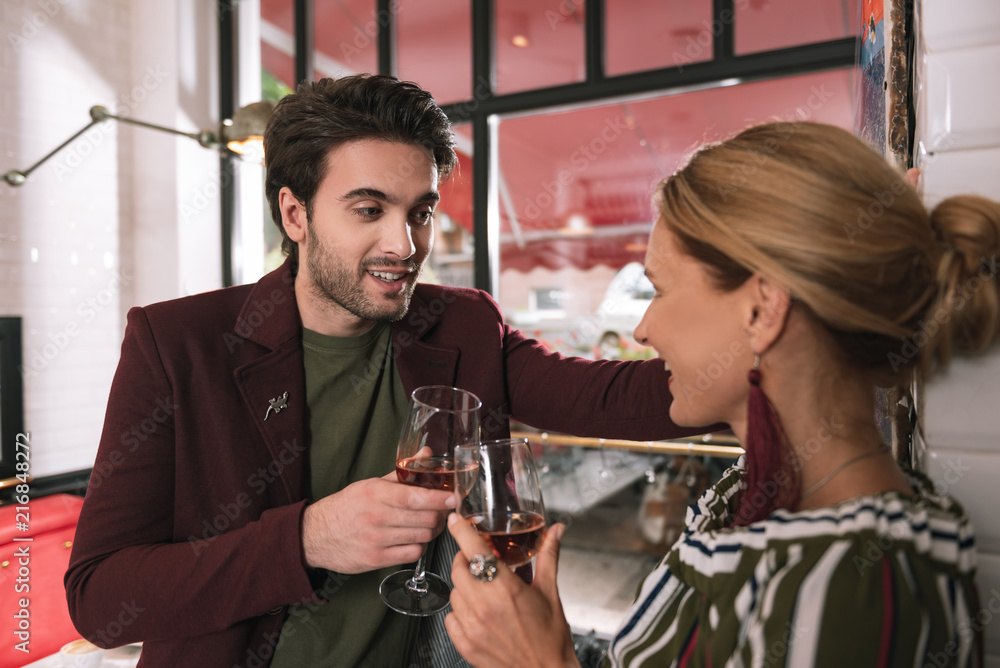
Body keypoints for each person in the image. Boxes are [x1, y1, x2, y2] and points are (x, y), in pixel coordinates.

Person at [63, 74, 711, 667]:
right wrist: (306, 539)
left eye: (421, 212)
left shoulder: (462, 326)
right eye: (369, 210)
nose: (405, 246)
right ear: (296, 214)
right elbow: (99, 596)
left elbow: (611, 399)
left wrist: (762, 340)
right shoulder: (177, 344)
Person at [445, 121, 999, 667]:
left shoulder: (856, 589)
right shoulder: (757, 492)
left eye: (659, 290)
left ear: (761, 309)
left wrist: (541, 661)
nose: (642, 329)